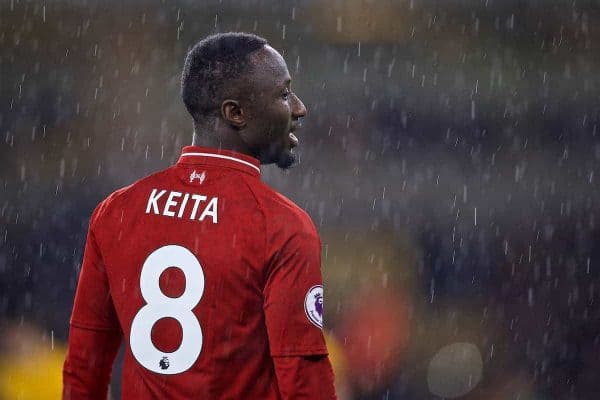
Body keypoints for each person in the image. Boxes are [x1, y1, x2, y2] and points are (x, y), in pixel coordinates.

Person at [62, 32, 337, 399]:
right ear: (235, 113)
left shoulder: (118, 211)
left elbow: (85, 363)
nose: (299, 108)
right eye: (284, 94)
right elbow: (304, 380)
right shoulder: (282, 227)